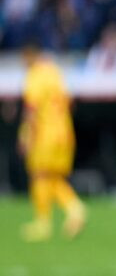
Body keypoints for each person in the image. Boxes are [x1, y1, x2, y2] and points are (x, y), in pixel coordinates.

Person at [18, 43, 86, 242]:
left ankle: (43, 223)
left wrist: (25, 135)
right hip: (64, 134)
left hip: (44, 134)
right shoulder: (55, 72)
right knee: (54, 177)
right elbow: (69, 102)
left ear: (29, 55)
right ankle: (75, 210)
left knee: (39, 175)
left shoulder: (35, 75)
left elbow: (31, 109)